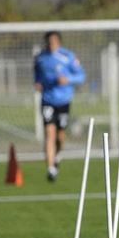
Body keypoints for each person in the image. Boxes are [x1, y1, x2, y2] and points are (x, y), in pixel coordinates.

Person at [34, 30, 86, 182]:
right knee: (49, 133)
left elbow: (81, 76)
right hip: (47, 100)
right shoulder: (40, 58)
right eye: (48, 42)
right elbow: (37, 74)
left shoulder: (68, 56)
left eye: (53, 42)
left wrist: (68, 79)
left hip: (63, 101)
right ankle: (51, 168)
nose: (50, 45)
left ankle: (57, 155)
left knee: (60, 135)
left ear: (58, 42)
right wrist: (37, 83)